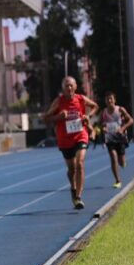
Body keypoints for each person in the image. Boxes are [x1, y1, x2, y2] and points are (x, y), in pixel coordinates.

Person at [42, 76, 98, 210]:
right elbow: (45, 118)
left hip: (80, 135)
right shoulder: (58, 102)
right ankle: (73, 187)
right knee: (71, 169)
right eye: (66, 86)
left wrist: (88, 116)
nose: (69, 88)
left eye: (71, 85)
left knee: (80, 163)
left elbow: (95, 106)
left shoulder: (81, 99)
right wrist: (58, 117)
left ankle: (78, 196)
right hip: (65, 139)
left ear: (75, 87)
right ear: (63, 88)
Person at [100, 91, 133, 188]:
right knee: (113, 157)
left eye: (111, 98)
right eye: (107, 99)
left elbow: (131, 120)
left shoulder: (120, 110)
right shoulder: (103, 112)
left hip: (120, 138)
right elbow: (99, 124)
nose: (109, 100)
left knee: (121, 163)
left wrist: (122, 128)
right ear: (105, 101)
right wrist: (103, 128)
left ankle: (123, 161)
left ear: (114, 100)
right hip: (110, 139)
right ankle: (118, 180)